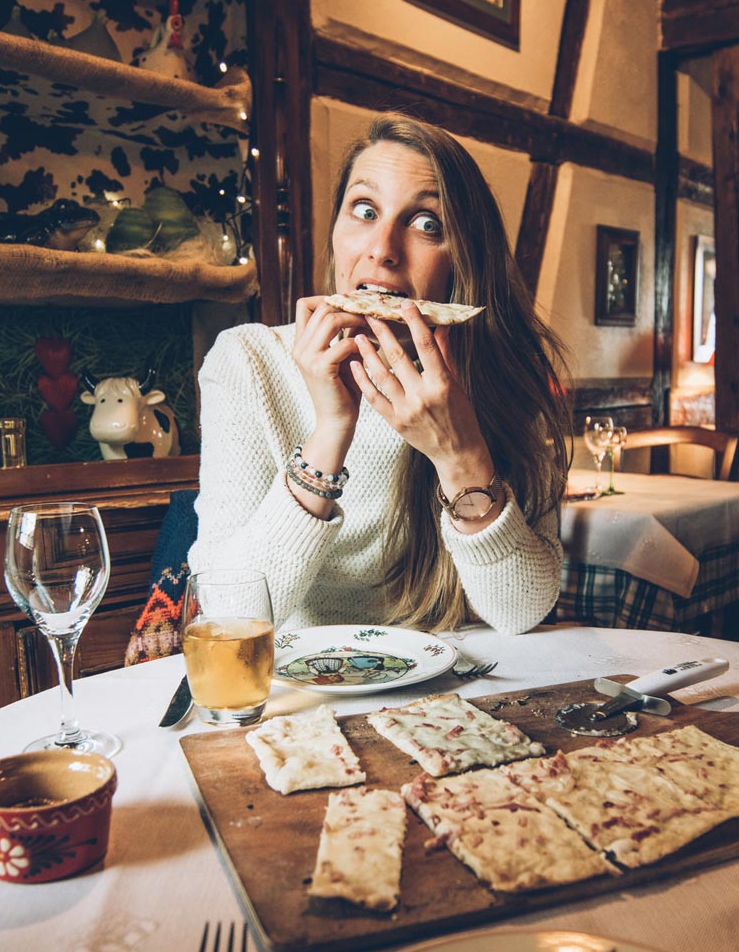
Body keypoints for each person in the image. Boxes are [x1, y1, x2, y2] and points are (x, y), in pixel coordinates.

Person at [187, 114, 569, 634]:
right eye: (364, 210)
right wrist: (330, 432)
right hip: (301, 696)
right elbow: (230, 616)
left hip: (451, 694)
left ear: (465, 261)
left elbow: (523, 611)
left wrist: (459, 453)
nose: (383, 248)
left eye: (426, 224)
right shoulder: (247, 362)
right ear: (336, 234)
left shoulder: (503, 373)